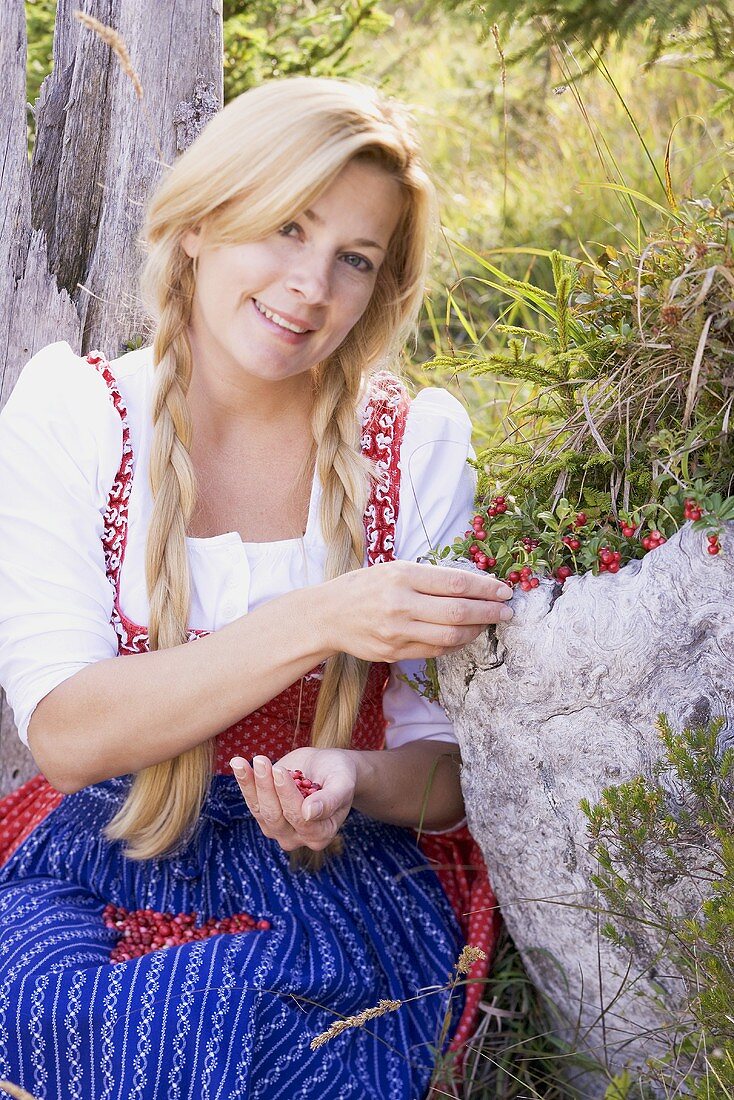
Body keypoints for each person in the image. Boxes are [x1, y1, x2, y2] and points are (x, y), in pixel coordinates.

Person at [0, 75, 511, 1098]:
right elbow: (65, 730)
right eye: (286, 227)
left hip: (337, 877)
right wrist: (318, 614)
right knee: (96, 1015)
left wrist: (353, 777)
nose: (309, 286)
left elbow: (452, 771)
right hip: (100, 847)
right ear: (198, 222)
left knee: (254, 1026)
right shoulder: (77, 412)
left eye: (352, 259)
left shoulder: (411, 448)